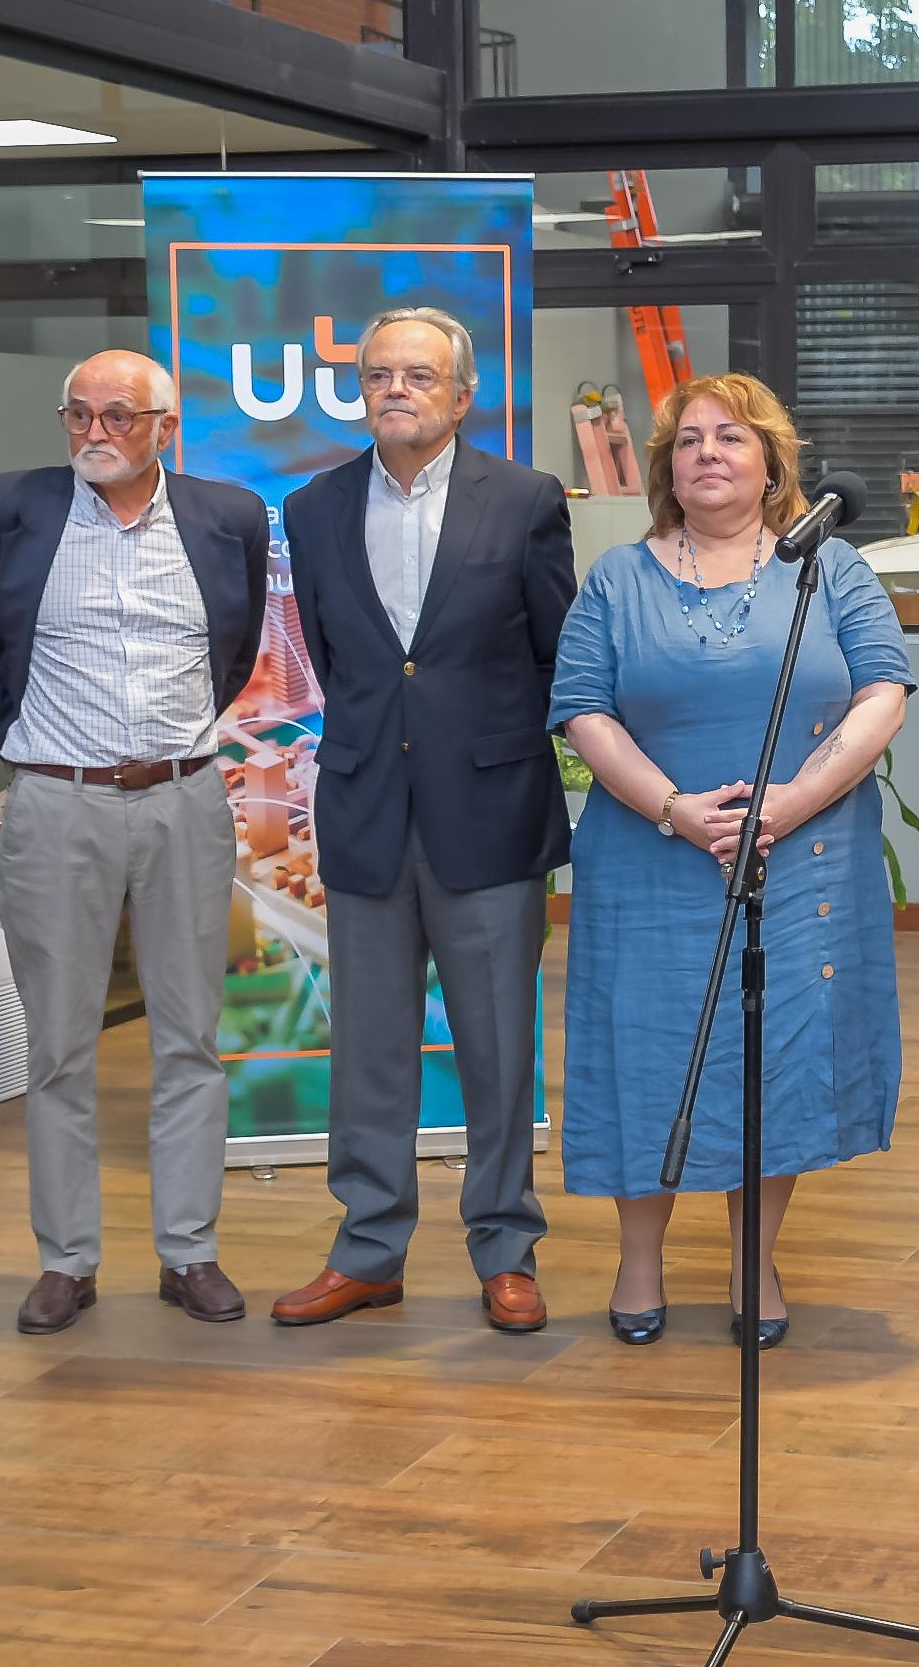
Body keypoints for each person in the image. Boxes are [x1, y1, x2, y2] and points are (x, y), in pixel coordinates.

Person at [552, 373, 911, 1348]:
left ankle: (755, 1260)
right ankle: (638, 1261)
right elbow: (584, 708)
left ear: (771, 463)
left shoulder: (830, 570)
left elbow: (884, 689)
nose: (708, 452)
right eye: (689, 439)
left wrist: (793, 801)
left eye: (732, 437)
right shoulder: (618, 579)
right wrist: (673, 807)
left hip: (802, 858)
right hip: (649, 860)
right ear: (667, 467)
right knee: (645, 1058)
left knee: (774, 1056)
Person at [0, 349, 270, 1334]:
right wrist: (27, 743)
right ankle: (66, 1260)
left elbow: (237, 641)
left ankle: (188, 1251)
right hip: (56, 801)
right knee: (59, 1044)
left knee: (190, 1038)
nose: (95, 432)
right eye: (78, 413)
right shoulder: (8, 507)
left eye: (119, 415)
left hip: (184, 798)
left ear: (166, 426)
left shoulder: (229, 517)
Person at [270, 308, 575, 1337]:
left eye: (418, 375)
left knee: (496, 1047)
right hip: (364, 808)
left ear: (461, 393)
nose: (395, 389)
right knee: (367, 1051)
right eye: (378, 374)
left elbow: (555, 654)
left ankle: (504, 1244)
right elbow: (336, 656)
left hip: (488, 809)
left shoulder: (526, 501)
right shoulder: (311, 509)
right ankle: (368, 1248)